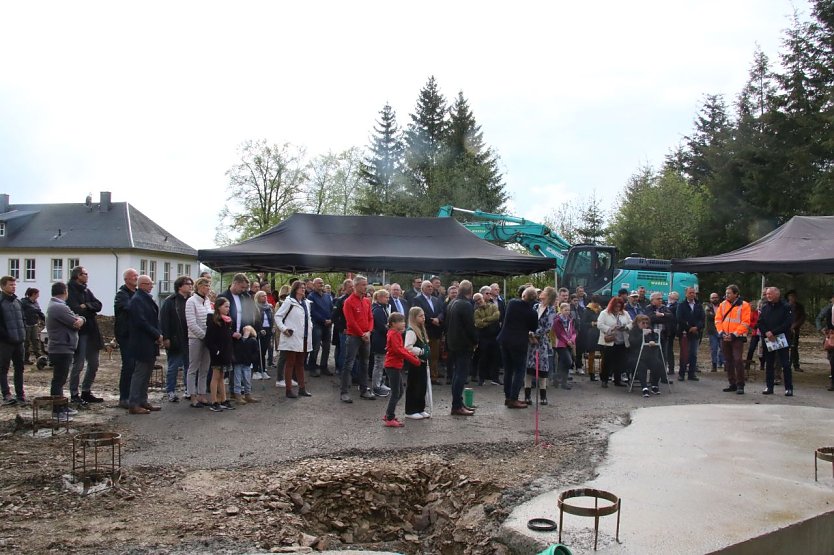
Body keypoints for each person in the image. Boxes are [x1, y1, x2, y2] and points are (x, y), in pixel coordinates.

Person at [218, 273, 261, 404]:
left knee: (243, 364)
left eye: (245, 288)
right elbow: (219, 317)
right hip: (228, 335)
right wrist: (230, 332)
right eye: (241, 287)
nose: (243, 290)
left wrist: (251, 329)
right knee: (234, 365)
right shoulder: (223, 296)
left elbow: (251, 314)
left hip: (244, 335)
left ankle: (245, 392)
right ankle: (234, 392)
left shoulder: (246, 296)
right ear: (235, 283)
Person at [45, 282, 84, 420]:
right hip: (61, 348)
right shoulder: (59, 307)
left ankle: (62, 406)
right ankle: (57, 410)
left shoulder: (58, 306)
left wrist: (81, 319)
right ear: (65, 292)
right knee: (59, 380)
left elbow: (79, 319)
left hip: (63, 346)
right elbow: (75, 322)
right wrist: (80, 320)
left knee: (61, 379)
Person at [66, 266, 105, 404]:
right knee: (79, 364)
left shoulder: (86, 290)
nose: (87, 276)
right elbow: (75, 310)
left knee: (94, 363)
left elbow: (98, 305)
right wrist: (88, 309)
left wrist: (87, 306)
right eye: (85, 274)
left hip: (91, 331)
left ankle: (86, 391)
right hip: (79, 333)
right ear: (78, 275)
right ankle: (74, 393)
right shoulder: (69, 291)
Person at [126, 275, 163, 414]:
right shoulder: (137, 300)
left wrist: (158, 333)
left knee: (147, 372)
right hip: (142, 342)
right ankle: (134, 403)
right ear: (142, 285)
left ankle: (142, 400)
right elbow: (141, 322)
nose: (151, 286)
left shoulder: (146, 298)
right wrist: (156, 334)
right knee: (140, 373)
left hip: (150, 341)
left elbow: (154, 319)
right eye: (149, 284)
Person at [498, 286, 538, 408]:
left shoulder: (512, 303)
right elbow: (533, 328)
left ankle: (507, 397)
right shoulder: (532, 312)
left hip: (505, 340)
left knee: (508, 370)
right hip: (519, 343)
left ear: (523, 295)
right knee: (520, 371)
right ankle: (514, 398)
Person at [382, 312, 422, 428]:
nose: (404, 323)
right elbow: (399, 350)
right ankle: (389, 417)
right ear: (393, 324)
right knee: (396, 393)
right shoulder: (394, 334)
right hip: (392, 366)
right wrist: (413, 359)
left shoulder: (395, 333)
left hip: (395, 366)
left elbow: (400, 349)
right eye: (401, 321)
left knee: (399, 392)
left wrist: (412, 357)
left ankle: (389, 414)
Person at [275, 280, 314, 399]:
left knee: (301, 363)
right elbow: (278, 316)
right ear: (295, 289)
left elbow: (307, 318)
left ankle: (302, 388)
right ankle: (288, 390)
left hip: (304, 337)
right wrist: (284, 329)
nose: (303, 289)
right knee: (290, 363)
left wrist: (310, 326)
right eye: (301, 287)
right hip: (292, 336)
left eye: (304, 287)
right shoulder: (289, 302)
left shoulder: (306, 302)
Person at [339, 275, 374, 403]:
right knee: (349, 363)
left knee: (365, 363)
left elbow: (371, 318)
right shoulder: (348, 302)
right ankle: (344, 392)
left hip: (365, 336)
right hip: (354, 336)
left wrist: (369, 332)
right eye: (363, 285)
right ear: (356, 286)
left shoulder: (366, 301)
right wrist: (362, 334)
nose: (366, 287)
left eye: (366, 284)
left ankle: (364, 390)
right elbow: (351, 321)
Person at [445, 280, 477, 416]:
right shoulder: (465, 305)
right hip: (463, 344)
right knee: (460, 375)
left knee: (457, 374)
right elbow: (470, 327)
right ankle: (457, 405)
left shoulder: (452, 302)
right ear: (470, 291)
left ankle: (458, 402)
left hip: (453, 343)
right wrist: (475, 341)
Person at [160, 276, 193, 402]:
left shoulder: (191, 300)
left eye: (191, 284)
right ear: (180, 286)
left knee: (189, 366)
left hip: (189, 337)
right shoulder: (170, 301)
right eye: (187, 284)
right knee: (173, 366)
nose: (190, 286)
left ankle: (188, 389)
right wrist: (166, 337)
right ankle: (171, 391)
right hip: (175, 338)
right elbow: (164, 320)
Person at [715, 284, 751, 394]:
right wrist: (721, 332)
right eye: (726, 293)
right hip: (724, 336)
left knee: (738, 360)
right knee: (728, 360)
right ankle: (732, 383)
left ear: (736, 294)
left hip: (737, 337)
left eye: (729, 293)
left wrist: (734, 334)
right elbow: (718, 320)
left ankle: (740, 384)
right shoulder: (723, 304)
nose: (726, 295)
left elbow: (745, 322)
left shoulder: (744, 305)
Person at [758, 287, 794, 396]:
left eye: (770, 294)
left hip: (781, 337)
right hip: (768, 339)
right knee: (769, 364)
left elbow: (787, 323)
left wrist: (774, 332)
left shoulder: (786, 307)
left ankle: (788, 388)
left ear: (777, 295)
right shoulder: (765, 307)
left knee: (785, 364)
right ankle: (769, 387)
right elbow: (760, 322)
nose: (768, 296)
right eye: (767, 294)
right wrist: (767, 332)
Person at [525, 288, 556, 404]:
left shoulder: (551, 310)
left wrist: (535, 334)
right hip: (530, 340)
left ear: (548, 295)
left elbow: (548, 326)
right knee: (528, 368)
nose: (541, 293)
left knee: (542, 368)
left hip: (541, 342)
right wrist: (529, 333)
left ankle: (543, 396)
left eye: (543, 292)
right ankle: (527, 396)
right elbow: (529, 321)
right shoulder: (535, 307)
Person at [185, 277, 213, 409]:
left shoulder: (207, 301)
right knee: (193, 367)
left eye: (209, 286)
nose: (208, 288)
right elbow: (191, 323)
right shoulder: (191, 301)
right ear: (199, 287)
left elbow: (210, 317)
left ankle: (202, 393)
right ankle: (192, 395)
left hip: (207, 338)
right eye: (206, 286)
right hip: (195, 338)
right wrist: (203, 336)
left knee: (205, 367)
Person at [204, 297, 234, 412]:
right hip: (217, 353)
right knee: (216, 376)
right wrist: (216, 350)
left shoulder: (227, 320)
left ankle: (223, 399)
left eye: (228, 306)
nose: (227, 309)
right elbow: (209, 340)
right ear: (218, 307)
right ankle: (214, 400)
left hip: (226, 352)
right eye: (225, 306)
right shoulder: (214, 320)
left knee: (222, 376)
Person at [0, 275, 27, 405]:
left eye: (14, 284)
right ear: (3, 286)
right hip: (5, 342)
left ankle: (20, 394)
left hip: (19, 341)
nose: (13, 287)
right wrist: (6, 336)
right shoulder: (1, 302)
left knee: (19, 368)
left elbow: (23, 319)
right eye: (11, 285)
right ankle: (6, 394)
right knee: (3, 368)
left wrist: (23, 334)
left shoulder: (18, 302)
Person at [114, 269, 138, 409]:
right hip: (125, 334)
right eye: (133, 276)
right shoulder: (121, 295)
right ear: (126, 279)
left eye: (136, 276)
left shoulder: (136, 294)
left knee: (135, 366)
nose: (136, 277)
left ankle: (134, 395)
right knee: (128, 365)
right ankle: (124, 397)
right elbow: (131, 308)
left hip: (136, 335)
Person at [413, 280, 444, 385]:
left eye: (431, 286)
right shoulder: (417, 300)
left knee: (434, 355)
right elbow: (418, 313)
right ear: (422, 288)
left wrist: (438, 319)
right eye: (428, 286)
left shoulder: (436, 299)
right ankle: (422, 376)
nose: (430, 288)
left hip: (435, 332)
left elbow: (441, 311)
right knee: (424, 354)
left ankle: (433, 377)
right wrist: (432, 320)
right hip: (425, 330)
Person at [597, 296, 632, 387]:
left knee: (620, 362)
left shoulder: (625, 313)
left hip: (621, 340)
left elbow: (631, 323)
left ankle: (617, 380)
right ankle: (604, 380)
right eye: (616, 306)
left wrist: (626, 327)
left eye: (619, 306)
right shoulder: (604, 313)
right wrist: (610, 329)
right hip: (609, 341)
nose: (617, 308)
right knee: (607, 361)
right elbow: (599, 324)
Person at [404, 306, 431, 419]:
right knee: (414, 385)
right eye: (420, 316)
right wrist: (420, 351)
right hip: (415, 362)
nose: (423, 318)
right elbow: (408, 347)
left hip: (423, 362)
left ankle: (420, 408)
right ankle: (411, 410)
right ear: (414, 317)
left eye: (424, 315)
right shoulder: (411, 331)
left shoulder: (421, 329)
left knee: (422, 385)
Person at [628, 314, 665, 397]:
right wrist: (643, 335)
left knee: (658, 364)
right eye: (643, 323)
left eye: (646, 323)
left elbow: (657, 340)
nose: (645, 325)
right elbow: (633, 343)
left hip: (649, 356)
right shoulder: (633, 331)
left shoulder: (650, 331)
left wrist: (654, 342)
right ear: (637, 323)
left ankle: (654, 385)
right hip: (636, 356)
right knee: (641, 366)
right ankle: (644, 387)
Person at [676, 287, 705, 381]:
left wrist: (697, 327)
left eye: (693, 293)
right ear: (686, 294)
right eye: (690, 293)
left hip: (696, 333)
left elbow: (702, 319)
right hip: (685, 333)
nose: (692, 294)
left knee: (693, 354)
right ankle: (681, 373)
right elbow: (679, 318)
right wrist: (689, 328)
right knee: (684, 354)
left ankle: (691, 374)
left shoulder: (699, 305)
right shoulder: (681, 305)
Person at [306, 277, 333, 377]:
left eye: (322, 283)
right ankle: (312, 367)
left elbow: (331, 308)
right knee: (316, 347)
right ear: (313, 285)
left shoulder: (327, 296)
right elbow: (312, 311)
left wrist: (331, 319)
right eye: (318, 283)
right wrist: (323, 320)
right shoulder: (310, 297)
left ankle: (323, 366)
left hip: (328, 324)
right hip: (317, 324)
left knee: (327, 347)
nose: (321, 284)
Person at [474, 289, 501, 386]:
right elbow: (478, 323)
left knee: (496, 357)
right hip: (483, 337)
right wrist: (490, 321)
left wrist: (485, 320)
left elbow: (497, 316)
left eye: (479, 299)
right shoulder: (476, 311)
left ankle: (495, 378)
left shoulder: (493, 306)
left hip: (495, 336)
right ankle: (481, 379)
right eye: (476, 300)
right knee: (483, 358)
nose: (478, 301)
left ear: (482, 298)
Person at [370, 289, 392, 397]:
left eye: (388, 297)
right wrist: (390, 331)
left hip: (382, 339)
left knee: (381, 364)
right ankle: (376, 386)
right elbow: (381, 326)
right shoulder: (377, 310)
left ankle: (380, 383)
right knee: (378, 364)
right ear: (379, 298)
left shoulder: (382, 308)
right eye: (386, 297)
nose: (388, 299)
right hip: (379, 340)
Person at [551, 300, 575, 395]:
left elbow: (573, 332)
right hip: (560, 344)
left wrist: (572, 340)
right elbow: (559, 333)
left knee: (563, 362)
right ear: (561, 310)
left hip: (568, 343)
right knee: (568, 361)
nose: (567, 312)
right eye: (565, 310)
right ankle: (556, 377)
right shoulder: (557, 320)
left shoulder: (570, 320)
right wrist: (567, 341)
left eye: (569, 310)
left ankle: (562, 382)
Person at [331, 279, 352, 375]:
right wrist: (341, 329)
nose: (352, 288)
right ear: (345, 288)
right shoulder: (341, 300)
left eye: (353, 286)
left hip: (355, 331)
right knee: (344, 352)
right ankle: (341, 371)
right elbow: (334, 316)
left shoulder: (359, 299)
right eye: (349, 287)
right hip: (345, 331)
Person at [253, 291, 274, 380]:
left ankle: (263, 370)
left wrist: (272, 326)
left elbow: (271, 318)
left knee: (264, 351)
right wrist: (259, 329)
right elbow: (255, 320)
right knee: (258, 351)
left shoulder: (269, 307)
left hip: (268, 330)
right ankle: (255, 370)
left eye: (265, 296)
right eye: (262, 296)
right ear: (258, 297)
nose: (264, 297)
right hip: (259, 331)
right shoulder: (255, 307)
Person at [581, 296, 603, 381]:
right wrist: (592, 324)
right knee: (591, 354)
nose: (597, 305)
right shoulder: (587, 310)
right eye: (596, 303)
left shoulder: (600, 310)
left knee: (602, 353)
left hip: (600, 333)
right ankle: (591, 373)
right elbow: (583, 323)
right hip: (591, 334)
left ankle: (602, 372)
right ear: (593, 302)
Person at [21, 288, 45, 364]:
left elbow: (39, 312)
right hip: (26, 325)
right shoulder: (24, 302)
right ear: (34, 294)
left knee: (36, 341)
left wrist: (46, 320)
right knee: (26, 342)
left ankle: (39, 358)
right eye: (37, 294)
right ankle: (25, 359)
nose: (39, 295)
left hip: (34, 324)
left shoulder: (35, 302)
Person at [786, 290, 806, 372]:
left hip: (795, 329)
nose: (792, 298)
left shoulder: (799, 306)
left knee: (794, 347)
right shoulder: (785, 305)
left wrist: (795, 325)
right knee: (785, 348)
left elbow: (802, 318)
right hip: (785, 329)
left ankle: (796, 365)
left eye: (794, 296)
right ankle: (785, 364)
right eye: (791, 296)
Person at [704, 292, 724, 372]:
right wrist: (719, 316)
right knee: (714, 348)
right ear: (710, 299)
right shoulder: (708, 307)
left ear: (718, 298)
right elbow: (709, 316)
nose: (714, 299)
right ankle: (714, 364)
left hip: (721, 330)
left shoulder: (722, 306)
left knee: (723, 348)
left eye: (716, 297)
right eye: (713, 298)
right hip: (712, 331)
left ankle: (721, 362)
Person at [665, 291, 680, 375]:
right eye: (669, 296)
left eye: (672, 297)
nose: (669, 298)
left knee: (669, 349)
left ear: (676, 298)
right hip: (665, 329)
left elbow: (671, 315)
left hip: (671, 330)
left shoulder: (676, 306)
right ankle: (666, 367)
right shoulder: (666, 304)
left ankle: (671, 368)